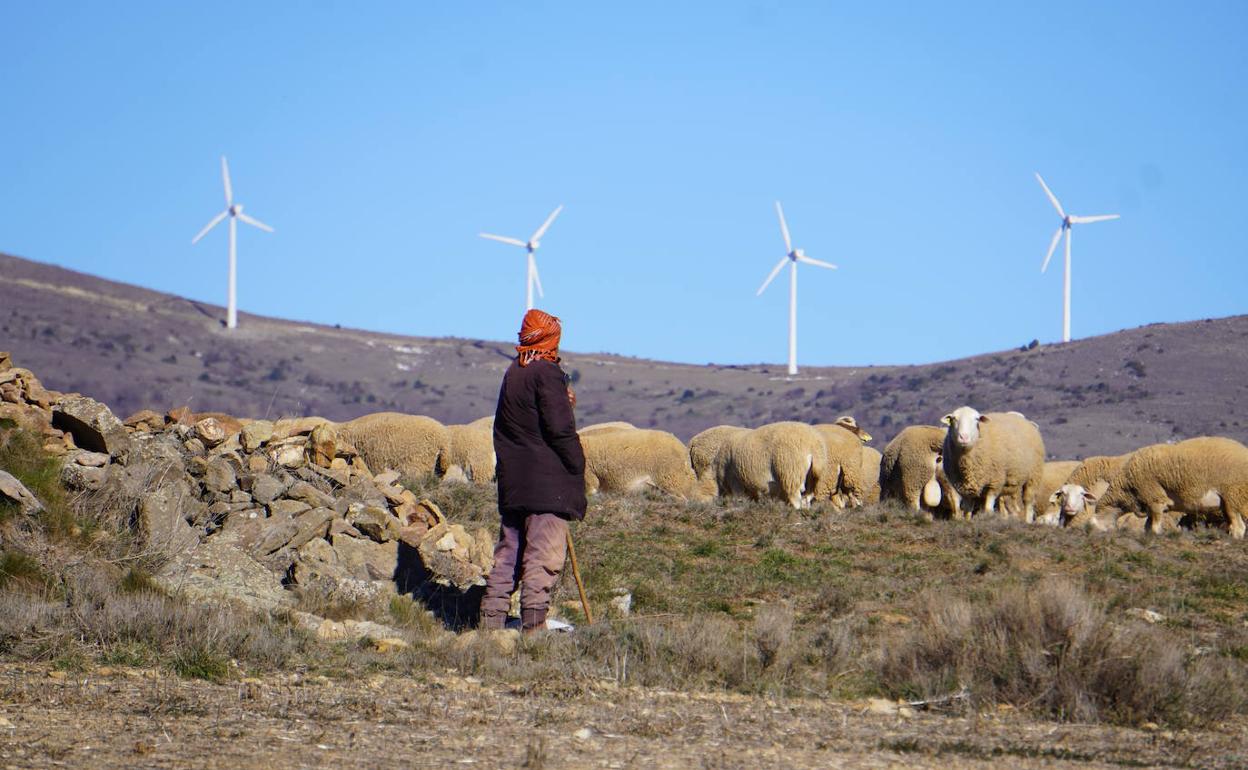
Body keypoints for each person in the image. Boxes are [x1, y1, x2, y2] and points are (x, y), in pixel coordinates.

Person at [479, 309, 586, 633]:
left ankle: (491, 622)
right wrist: (577, 464)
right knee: (543, 555)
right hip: (546, 486)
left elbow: (510, 425)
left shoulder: (514, 372)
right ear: (550, 338)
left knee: (509, 553)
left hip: (515, 485)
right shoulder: (546, 372)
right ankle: (534, 627)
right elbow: (559, 428)